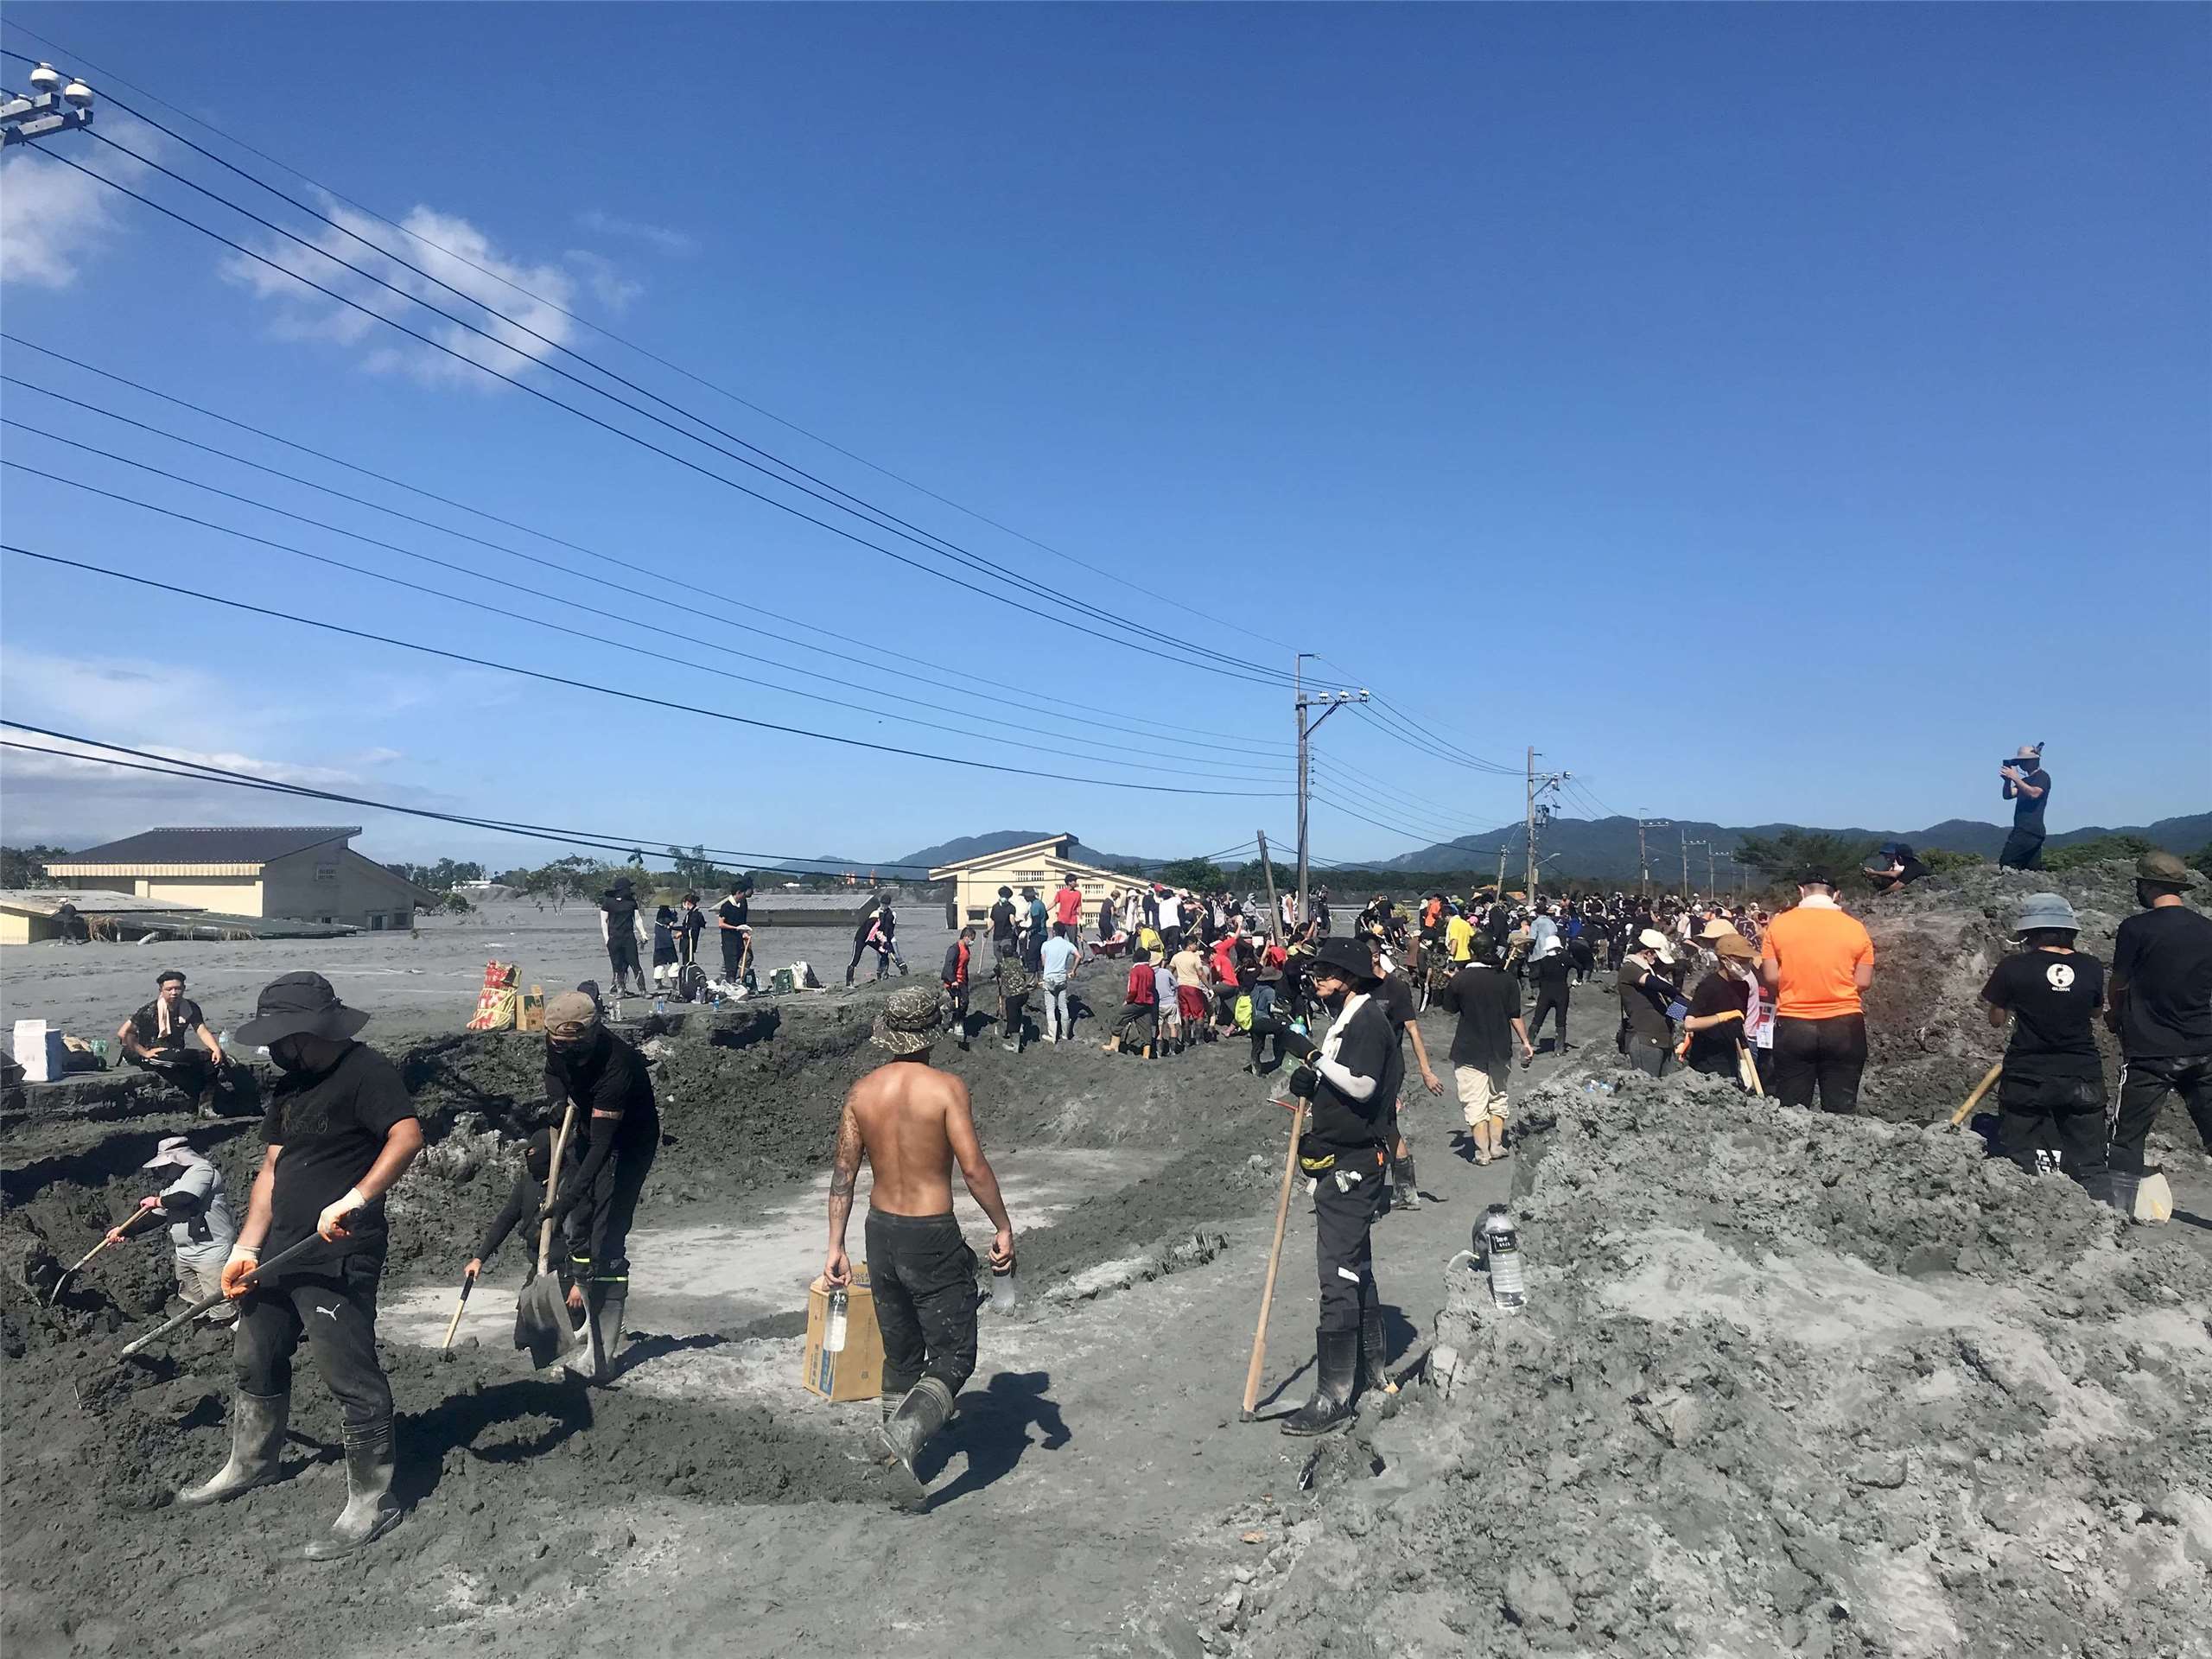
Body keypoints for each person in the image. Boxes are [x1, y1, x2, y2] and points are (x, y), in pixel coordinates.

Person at [181, 973, 423, 1560]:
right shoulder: (289, 1091)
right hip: (277, 1253)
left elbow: (408, 1135)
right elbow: (270, 1171)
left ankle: (374, 1500)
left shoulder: (366, 1072)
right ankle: (252, 1463)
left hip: (338, 1253)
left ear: (305, 1032)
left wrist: (355, 1198)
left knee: (349, 1375)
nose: (276, 1051)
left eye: (282, 1040)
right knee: (254, 1357)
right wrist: (245, 1246)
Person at [823, 987, 1014, 1492]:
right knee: (954, 1355)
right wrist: (1002, 1226)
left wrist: (835, 1246)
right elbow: (973, 1169)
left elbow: (844, 1173)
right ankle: (902, 1441)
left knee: (901, 1354)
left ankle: (891, 1461)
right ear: (931, 1035)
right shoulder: (947, 1089)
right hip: (929, 1234)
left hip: (879, 1231)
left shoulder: (862, 1093)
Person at [1274, 936, 1401, 1434]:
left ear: (1349, 976)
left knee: (1338, 1275)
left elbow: (1364, 1086)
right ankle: (1372, 1374)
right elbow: (1341, 1078)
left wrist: (1310, 1058)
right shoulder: (1346, 1019)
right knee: (1355, 1269)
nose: (1318, 977)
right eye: (1316, 970)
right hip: (1344, 1157)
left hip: (1354, 1163)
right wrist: (1313, 1079)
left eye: (1326, 970)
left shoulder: (1368, 1020)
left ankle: (1333, 1396)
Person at [537, 990, 659, 1382]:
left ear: (592, 1033)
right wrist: (558, 1100)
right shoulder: (557, 1042)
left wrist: (567, 1196)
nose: (566, 1051)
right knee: (579, 1227)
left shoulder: (616, 1067)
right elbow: (554, 1071)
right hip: (590, 1127)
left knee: (607, 1237)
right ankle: (588, 1321)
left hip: (628, 1142)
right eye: (560, 1044)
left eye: (575, 1046)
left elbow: (605, 1147)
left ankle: (604, 1347)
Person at [1979, 893, 2113, 1205]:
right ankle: (2107, 1219)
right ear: (2070, 931)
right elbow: (2095, 1013)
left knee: (2020, 1159)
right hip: (2082, 1075)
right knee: (2091, 1161)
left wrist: (2013, 1003)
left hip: (2027, 1076)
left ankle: (2024, 1216)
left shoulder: (2013, 967)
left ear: (2030, 933)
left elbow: (1996, 1020)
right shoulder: (2091, 966)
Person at [2105, 851, 2212, 1208]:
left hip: (2150, 1050)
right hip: (2203, 1045)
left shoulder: (2135, 929)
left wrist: (2114, 1014)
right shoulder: (2206, 929)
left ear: (2146, 886)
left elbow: (2118, 983)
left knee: (2127, 1136)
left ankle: (2119, 1209)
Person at [1759, 869, 1876, 1114]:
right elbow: (1863, 982)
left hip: (1793, 1025)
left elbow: (1770, 976)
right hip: (1845, 1026)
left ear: (1801, 891)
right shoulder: (1856, 928)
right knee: (1841, 1110)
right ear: (1837, 895)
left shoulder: (1778, 925)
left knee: (1792, 1110)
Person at [112, 1135, 239, 1326]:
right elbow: (156, 1216)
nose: (161, 1170)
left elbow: (186, 1198)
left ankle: (228, 1327)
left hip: (211, 1248)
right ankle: (204, 1323)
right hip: (186, 1251)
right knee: (193, 1292)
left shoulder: (202, 1171)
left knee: (218, 1295)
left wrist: (156, 1201)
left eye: (165, 1166)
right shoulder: (173, 1185)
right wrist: (124, 1231)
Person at [1434, 939, 1533, 1166]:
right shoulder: (1507, 980)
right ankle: (1497, 1146)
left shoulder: (1461, 979)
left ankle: (1482, 1153)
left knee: (1474, 1101)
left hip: (1469, 1048)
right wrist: (1525, 1042)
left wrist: (1453, 982)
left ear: (1472, 951)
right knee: (1498, 1095)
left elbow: (1449, 1009)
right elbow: (1515, 1015)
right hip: (1500, 1047)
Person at [1366, 940, 1441, 1211]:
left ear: (1375, 957)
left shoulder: (1395, 988)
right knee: (1388, 1127)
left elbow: (1413, 1031)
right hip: (1361, 1066)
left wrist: (1426, 1071)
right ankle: (1407, 1192)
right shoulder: (1355, 986)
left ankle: (1371, 1195)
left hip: (1388, 1068)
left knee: (1374, 1127)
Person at [117, 969, 227, 1113]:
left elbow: (201, 1030)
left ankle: (206, 1106)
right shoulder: (150, 1010)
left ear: (184, 989)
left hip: (174, 1051)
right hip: (150, 1051)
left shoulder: (190, 1008)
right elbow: (124, 1033)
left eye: (178, 989)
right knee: (183, 1060)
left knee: (211, 1059)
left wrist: (216, 1049)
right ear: (161, 990)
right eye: (169, 989)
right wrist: (144, 1052)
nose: (174, 993)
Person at [1681, 933, 1759, 1080]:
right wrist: (1722, 1017)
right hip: (1706, 1060)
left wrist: (1745, 1062)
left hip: (1730, 1057)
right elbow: (1690, 1023)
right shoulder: (1709, 986)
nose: (1747, 964)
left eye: (1749, 960)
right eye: (1741, 960)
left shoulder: (1743, 986)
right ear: (1725, 959)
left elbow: (1738, 1024)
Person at [1618, 928, 1679, 1079]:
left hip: (1663, 1039)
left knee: (1666, 1087)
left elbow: (1666, 1005)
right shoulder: (1631, 969)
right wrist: (1676, 993)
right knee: (1648, 1087)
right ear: (1648, 953)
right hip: (1646, 1039)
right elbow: (1659, 986)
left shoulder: (1650, 973)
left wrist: (1689, 1012)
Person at [1999, 745, 2052, 871]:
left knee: (2006, 863)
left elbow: (2034, 793)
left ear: (2034, 760)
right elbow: (2008, 795)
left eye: (2025, 760)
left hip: (2027, 830)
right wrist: (2007, 781)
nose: (2022, 764)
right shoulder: (2025, 780)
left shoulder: (2042, 777)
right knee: (2031, 870)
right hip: (2031, 831)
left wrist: (2015, 778)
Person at [1103, 949, 1159, 1056]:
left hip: (1136, 1001)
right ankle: (1146, 1055)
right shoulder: (1150, 970)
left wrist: (1128, 1001)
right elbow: (1152, 987)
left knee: (1119, 1018)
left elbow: (1133, 989)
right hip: (1147, 1002)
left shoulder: (1136, 970)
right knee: (1145, 1026)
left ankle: (1114, 1046)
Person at [599, 877, 649, 997]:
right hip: (614, 938)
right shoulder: (608, 902)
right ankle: (620, 989)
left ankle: (643, 990)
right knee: (617, 965)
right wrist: (606, 938)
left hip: (629, 937)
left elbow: (637, 919)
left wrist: (643, 933)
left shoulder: (631, 902)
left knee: (635, 964)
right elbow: (603, 921)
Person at [1526, 935, 1573, 1056]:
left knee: (1538, 1018)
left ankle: (1528, 1045)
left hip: (1545, 992)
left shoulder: (1543, 961)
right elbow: (1578, 966)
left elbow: (1535, 977)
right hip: (1561, 992)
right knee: (1561, 1020)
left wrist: (1536, 988)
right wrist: (1578, 979)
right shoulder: (1565, 958)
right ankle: (1559, 1048)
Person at [1039, 925, 1080, 1044]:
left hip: (1049, 978)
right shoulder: (1068, 945)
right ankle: (1065, 1035)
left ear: (1054, 932)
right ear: (1064, 933)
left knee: (1050, 1008)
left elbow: (1044, 963)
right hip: (1062, 978)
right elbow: (1079, 956)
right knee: (1063, 1007)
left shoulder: (1046, 945)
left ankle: (1052, 1036)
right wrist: (1073, 970)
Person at [941, 925, 977, 1051]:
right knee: (961, 1002)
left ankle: (955, 1022)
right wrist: (953, 980)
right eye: (972, 939)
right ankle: (949, 1014)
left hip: (963, 980)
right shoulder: (954, 949)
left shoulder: (966, 949)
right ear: (966, 937)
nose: (972, 941)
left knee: (964, 1003)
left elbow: (964, 966)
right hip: (954, 981)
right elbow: (948, 965)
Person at [716, 880, 755, 993]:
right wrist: (736, 928)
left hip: (739, 940)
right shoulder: (726, 906)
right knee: (731, 966)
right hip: (728, 940)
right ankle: (730, 989)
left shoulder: (742, 905)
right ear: (738, 893)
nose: (744, 896)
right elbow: (721, 924)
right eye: (743, 893)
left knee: (744, 959)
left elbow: (742, 921)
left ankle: (736, 984)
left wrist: (745, 933)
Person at [1864, 842, 1929, 895]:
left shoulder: (1912, 868)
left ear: (1900, 857)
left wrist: (1880, 893)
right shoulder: (1913, 866)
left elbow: (1898, 885)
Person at [989, 886, 1020, 962]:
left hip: (1007, 936)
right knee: (998, 954)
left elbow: (1011, 918)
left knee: (1005, 954)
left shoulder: (1011, 907)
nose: (1004, 898)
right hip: (997, 936)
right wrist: (988, 930)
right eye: (1003, 896)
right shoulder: (995, 907)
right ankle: (1002, 969)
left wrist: (1014, 926)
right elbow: (993, 920)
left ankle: (1005, 970)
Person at [1052, 877, 1084, 941]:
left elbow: (1079, 906)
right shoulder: (1060, 893)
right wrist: (1045, 910)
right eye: (1074, 881)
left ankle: (1075, 951)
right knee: (1058, 940)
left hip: (1072, 922)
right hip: (1061, 921)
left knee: (1073, 941)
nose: (1076, 883)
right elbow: (1054, 903)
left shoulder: (1078, 893)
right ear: (1069, 882)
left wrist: (1080, 918)